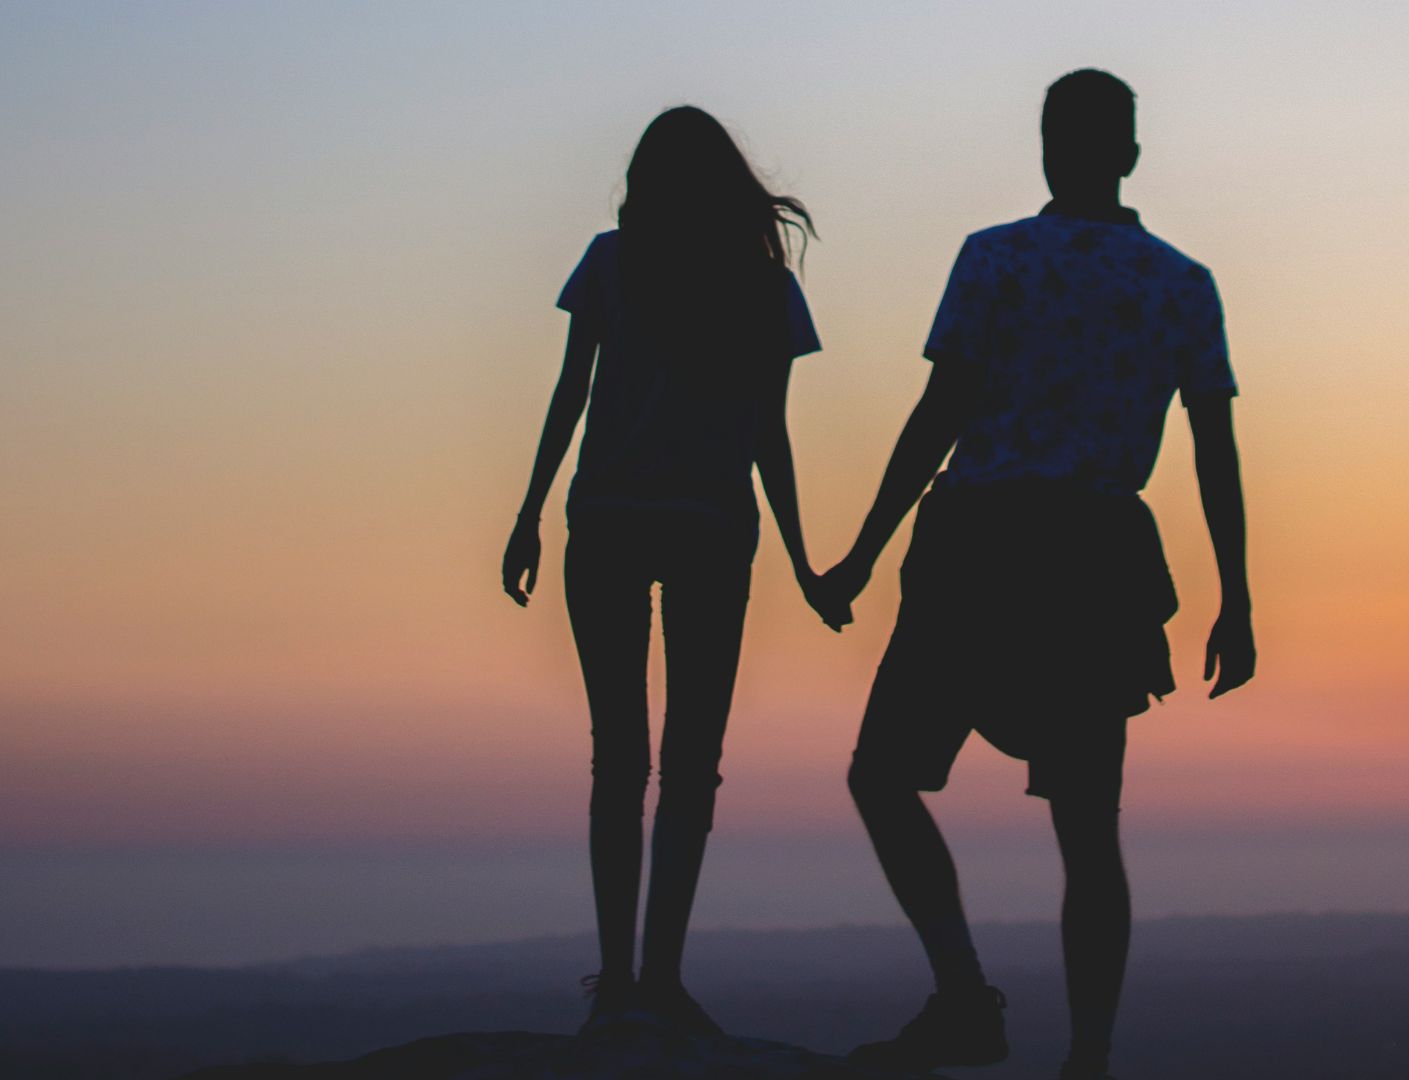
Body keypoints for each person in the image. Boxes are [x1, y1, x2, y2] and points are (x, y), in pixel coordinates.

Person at [817, 69, 1256, 1080]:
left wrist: (862, 552)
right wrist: (1235, 596)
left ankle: (966, 998)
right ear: (1131, 154)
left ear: (1051, 150)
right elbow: (1213, 450)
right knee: (1087, 830)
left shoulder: (995, 261)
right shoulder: (1179, 282)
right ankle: (1088, 1060)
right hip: (1095, 562)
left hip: (978, 547)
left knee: (883, 776)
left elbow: (940, 417)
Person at [500, 106, 836, 1036]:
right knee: (691, 767)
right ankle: (660, 980)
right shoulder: (765, 289)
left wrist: (529, 514)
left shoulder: (613, 260)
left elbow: (572, 394)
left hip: (605, 520)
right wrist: (805, 562)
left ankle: (618, 983)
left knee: (621, 760)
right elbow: (770, 435)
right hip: (712, 529)